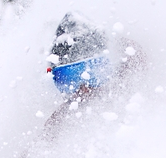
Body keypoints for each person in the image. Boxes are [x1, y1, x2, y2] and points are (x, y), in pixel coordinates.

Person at [42, 11, 146, 142]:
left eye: (93, 72)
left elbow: (138, 61)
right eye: (68, 79)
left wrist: (115, 41)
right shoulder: (59, 126)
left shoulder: (128, 88)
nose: (84, 89)